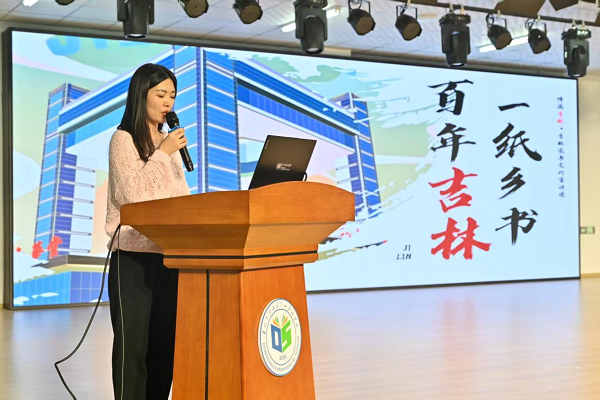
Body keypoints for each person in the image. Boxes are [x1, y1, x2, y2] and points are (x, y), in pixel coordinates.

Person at [105, 63, 190, 400]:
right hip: (132, 258)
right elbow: (133, 197)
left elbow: (178, 198)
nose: (168, 102)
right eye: (161, 94)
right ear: (141, 95)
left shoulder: (168, 145)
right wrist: (163, 153)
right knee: (133, 349)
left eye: (172, 95)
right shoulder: (123, 139)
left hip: (169, 257)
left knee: (163, 347)